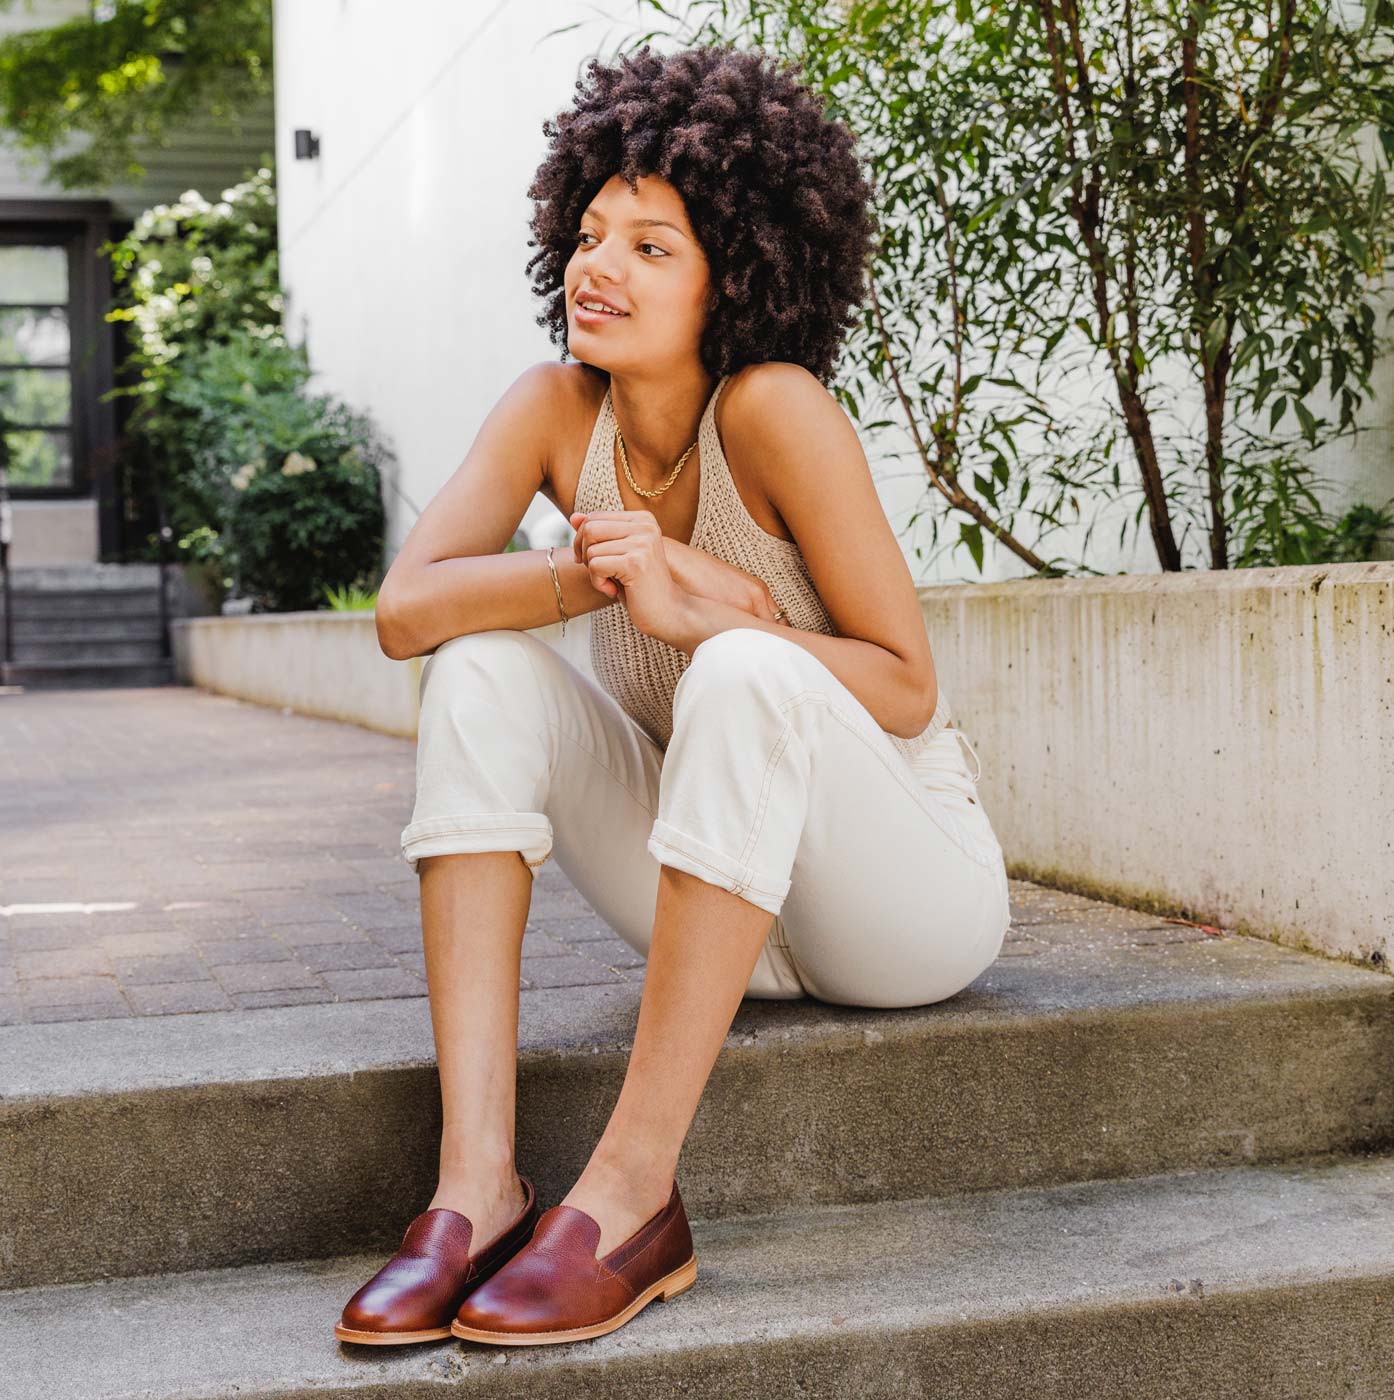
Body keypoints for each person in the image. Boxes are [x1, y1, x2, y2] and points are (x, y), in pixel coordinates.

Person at [335, 41, 1011, 1350]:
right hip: (721, 907)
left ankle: (633, 1197)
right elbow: (406, 612)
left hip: (906, 905)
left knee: (752, 667)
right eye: (591, 233)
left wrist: (715, 608)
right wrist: (589, 580)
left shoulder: (774, 410)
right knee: (478, 665)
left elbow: (910, 689)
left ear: (738, 271)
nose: (599, 267)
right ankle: (476, 1189)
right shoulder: (553, 411)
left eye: (653, 245)